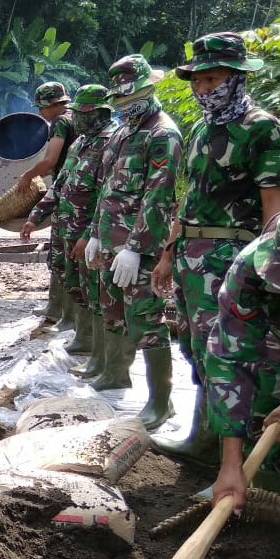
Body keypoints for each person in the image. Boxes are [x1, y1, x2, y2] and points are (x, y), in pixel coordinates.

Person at [152, 32, 280, 458]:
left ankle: (245, 458)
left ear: (235, 78)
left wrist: (270, 274)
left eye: (212, 80)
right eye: (197, 81)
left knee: (232, 354)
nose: (203, 89)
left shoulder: (261, 129)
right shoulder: (200, 128)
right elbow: (190, 196)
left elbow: (276, 209)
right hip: (193, 260)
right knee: (194, 347)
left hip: (233, 258)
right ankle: (205, 437)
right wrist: (168, 253)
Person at [84, 55, 181, 428]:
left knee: (146, 321)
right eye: (120, 100)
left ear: (147, 89)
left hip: (138, 250)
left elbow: (159, 197)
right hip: (110, 244)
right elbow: (108, 190)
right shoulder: (126, 132)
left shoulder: (162, 134)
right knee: (114, 313)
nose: (124, 105)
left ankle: (161, 402)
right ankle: (116, 373)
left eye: (131, 97)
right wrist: (95, 233)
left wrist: (137, 248)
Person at [207, 202, 280, 511]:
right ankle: (273, 485)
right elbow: (230, 359)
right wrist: (230, 462)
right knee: (269, 385)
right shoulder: (250, 267)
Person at [21, 85, 118, 367]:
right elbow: (61, 184)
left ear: (100, 112)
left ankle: (97, 353)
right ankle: (83, 337)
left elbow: (107, 196)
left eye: (82, 113)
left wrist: (91, 235)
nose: (75, 117)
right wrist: (36, 216)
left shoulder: (112, 143)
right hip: (67, 226)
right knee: (74, 282)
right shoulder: (81, 142)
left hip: (88, 232)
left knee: (94, 290)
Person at [18, 82, 77, 332]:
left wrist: (27, 176)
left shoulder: (62, 122)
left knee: (61, 253)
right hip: (78, 190)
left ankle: (63, 313)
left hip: (70, 193)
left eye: (41, 108)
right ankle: (56, 308)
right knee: (64, 252)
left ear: (52, 105)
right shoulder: (78, 117)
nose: (41, 114)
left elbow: (51, 159)